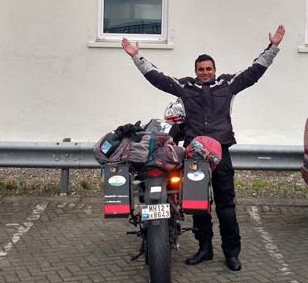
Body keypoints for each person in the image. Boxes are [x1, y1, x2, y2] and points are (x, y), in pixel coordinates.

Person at [121, 25, 285, 272]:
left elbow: (254, 72)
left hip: (220, 153)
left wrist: (272, 47)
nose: (205, 72)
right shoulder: (185, 87)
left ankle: (232, 254)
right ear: (195, 71)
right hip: (194, 154)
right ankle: (205, 249)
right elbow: (158, 78)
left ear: (214, 70)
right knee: (197, 205)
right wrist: (136, 57)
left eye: (209, 69)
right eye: (201, 69)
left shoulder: (227, 85)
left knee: (226, 206)